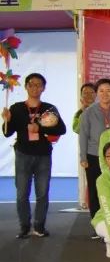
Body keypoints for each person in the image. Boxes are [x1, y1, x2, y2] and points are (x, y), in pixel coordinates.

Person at [3, 72, 67, 238]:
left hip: (43, 154)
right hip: (23, 154)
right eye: (31, 84)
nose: (35, 88)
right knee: (22, 193)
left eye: (39, 85)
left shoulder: (49, 108)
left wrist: (41, 128)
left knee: (42, 193)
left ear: (43, 88)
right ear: (26, 87)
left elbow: (62, 129)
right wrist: (7, 120)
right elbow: (7, 133)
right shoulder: (16, 108)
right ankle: (24, 226)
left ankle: (39, 226)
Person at [80, 77, 110, 222]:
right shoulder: (88, 112)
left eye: (108, 91)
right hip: (93, 155)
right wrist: (83, 157)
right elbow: (83, 135)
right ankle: (97, 222)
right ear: (96, 93)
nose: (105, 94)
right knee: (95, 189)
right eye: (101, 91)